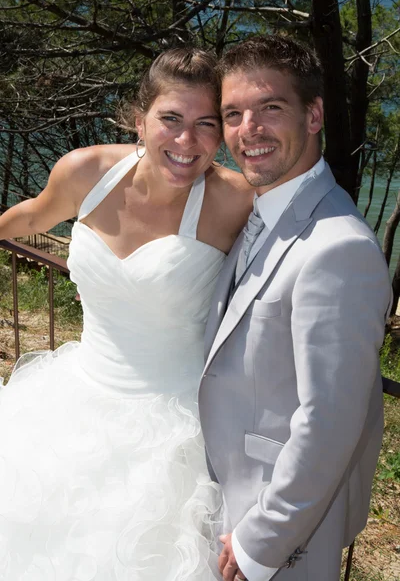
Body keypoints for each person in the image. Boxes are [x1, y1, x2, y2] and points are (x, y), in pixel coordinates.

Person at [0, 47, 253, 580]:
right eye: (170, 120)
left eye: (206, 124)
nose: (187, 142)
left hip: (175, 429)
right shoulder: (86, 171)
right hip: (69, 402)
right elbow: (29, 216)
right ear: (138, 119)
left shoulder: (237, 202)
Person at [198, 35, 392, 581]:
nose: (247, 130)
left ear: (314, 114)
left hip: (275, 533)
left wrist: (262, 541)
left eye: (269, 108)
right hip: (221, 501)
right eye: (232, 114)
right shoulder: (264, 213)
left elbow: (329, 422)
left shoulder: (339, 247)